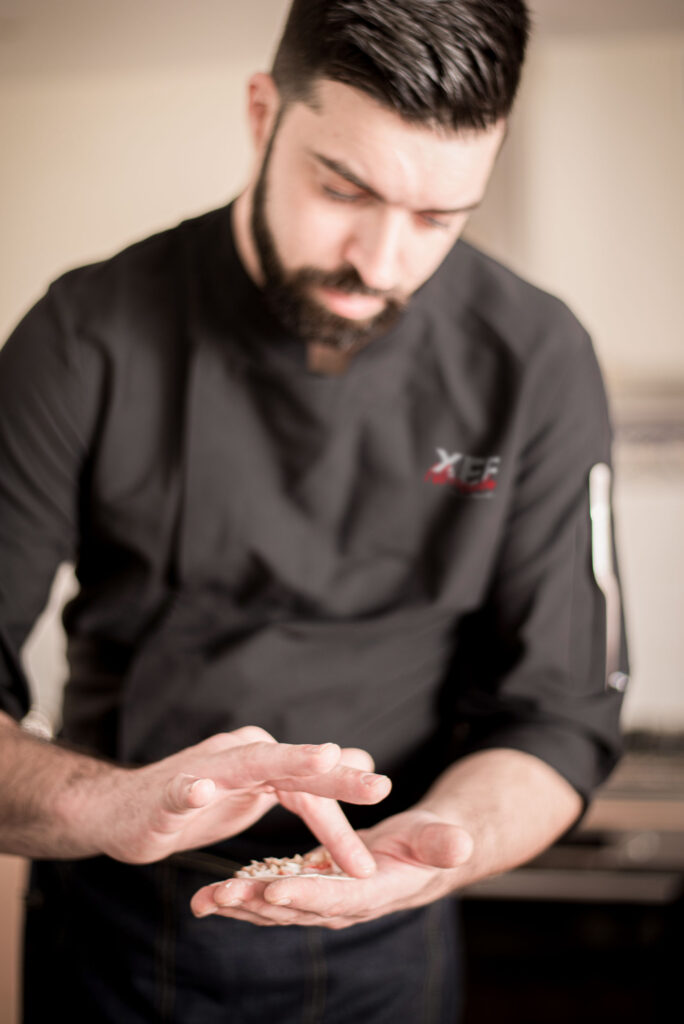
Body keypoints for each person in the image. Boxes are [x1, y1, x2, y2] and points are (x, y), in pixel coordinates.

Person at [0, 1, 629, 1021]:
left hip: (391, 931)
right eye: (344, 188)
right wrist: (111, 803)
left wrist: (432, 849)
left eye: (437, 218)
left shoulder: (537, 360)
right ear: (262, 114)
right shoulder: (84, 336)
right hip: (119, 929)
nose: (380, 265)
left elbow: (559, 717)